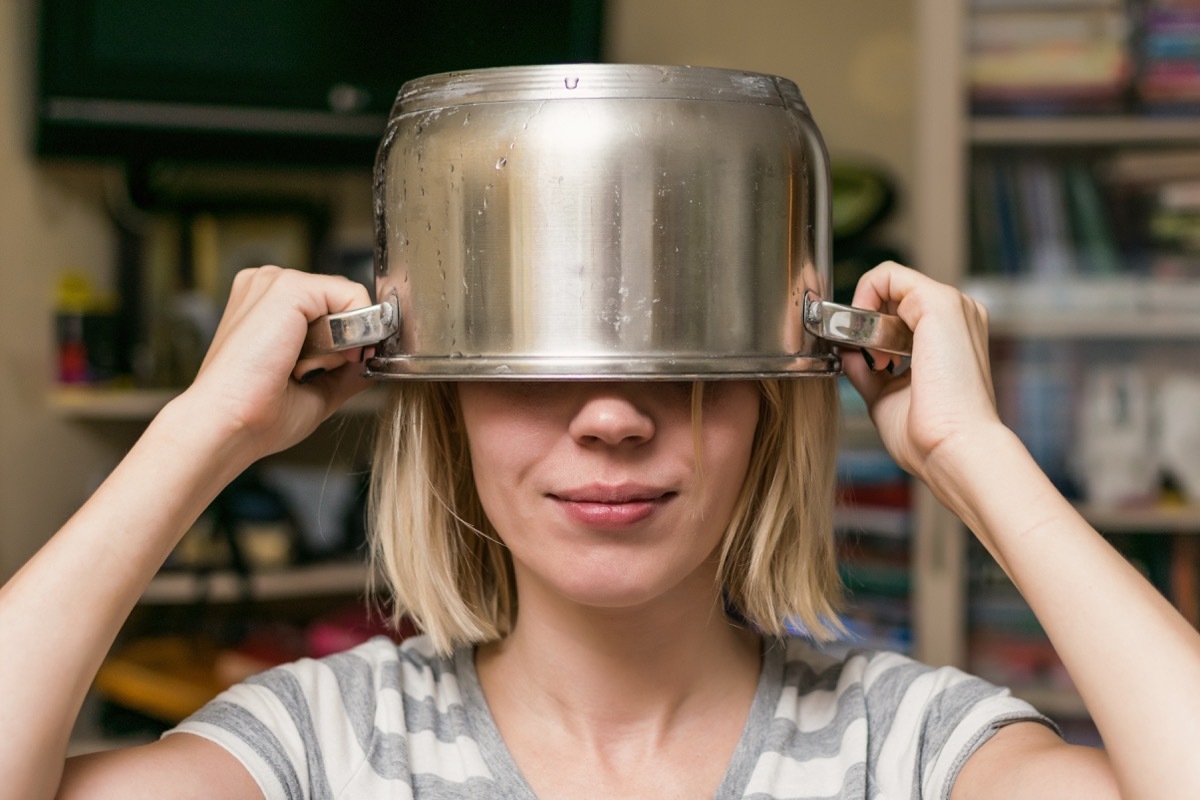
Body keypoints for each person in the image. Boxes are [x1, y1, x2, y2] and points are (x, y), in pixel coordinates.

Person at [1, 260, 1198, 800]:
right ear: (448, 395)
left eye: (684, 366)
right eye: (540, 368)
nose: (616, 417)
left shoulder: (909, 748)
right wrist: (203, 427)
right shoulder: (321, 745)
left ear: (773, 398)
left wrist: (971, 453)